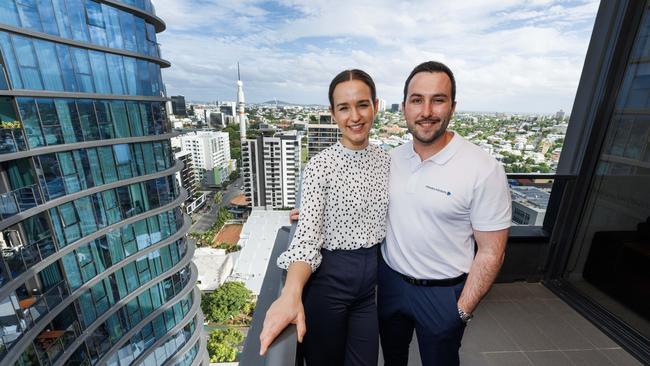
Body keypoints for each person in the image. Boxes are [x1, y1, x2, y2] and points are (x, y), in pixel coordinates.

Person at [378, 61, 511, 365]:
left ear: (452, 107)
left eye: (438, 99)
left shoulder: (483, 169)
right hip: (391, 284)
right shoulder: (391, 159)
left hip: (443, 293)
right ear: (404, 108)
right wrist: (312, 212)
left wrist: (462, 310)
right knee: (392, 358)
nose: (426, 111)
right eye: (417, 100)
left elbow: (492, 252)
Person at [259, 69, 390, 366]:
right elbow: (306, 239)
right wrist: (291, 294)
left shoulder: (387, 161)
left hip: (369, 288)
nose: (354, 116)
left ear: (376, 106)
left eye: (362, 104)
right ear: (333, 114)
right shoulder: (320, 166)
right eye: (344, 107)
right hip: (328, 282)